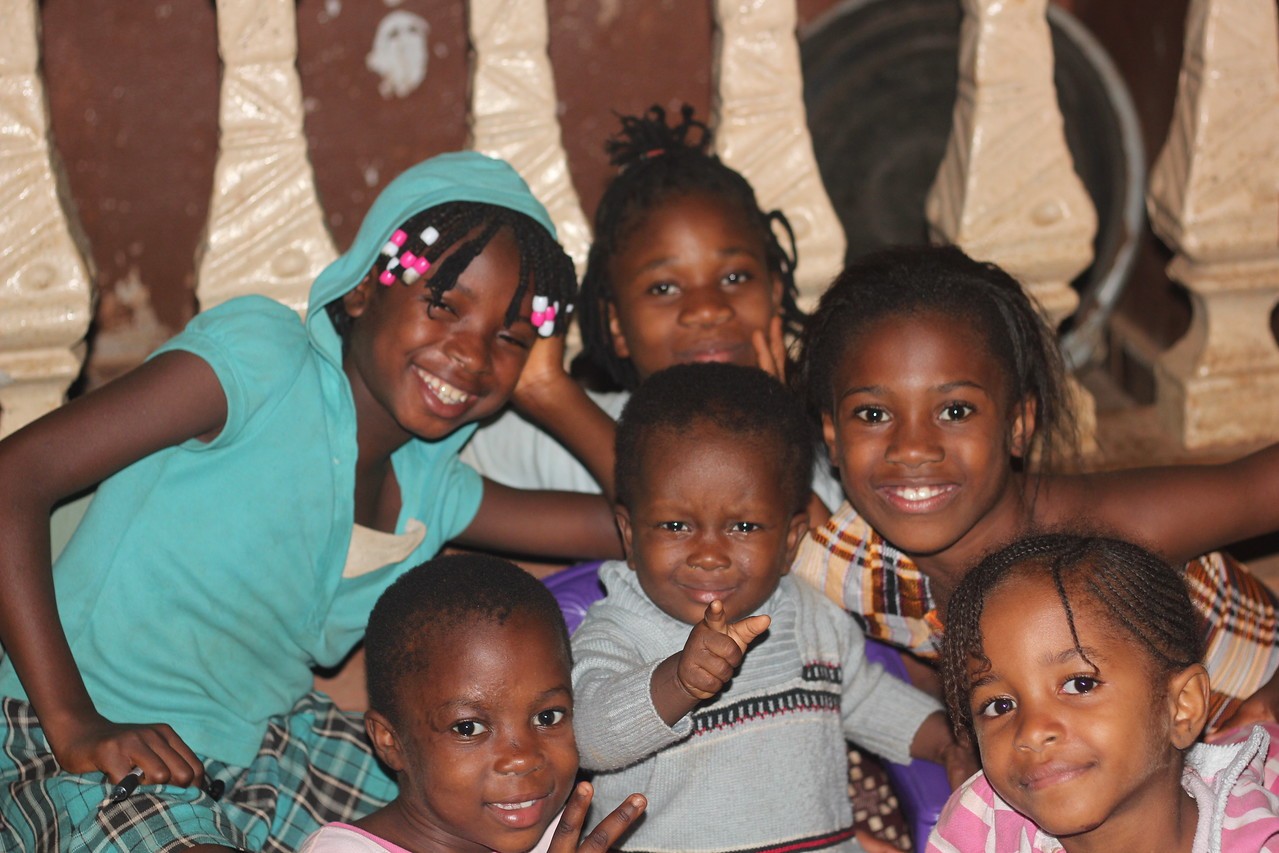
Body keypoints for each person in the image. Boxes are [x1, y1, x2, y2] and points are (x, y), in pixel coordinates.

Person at [0, 151, 623, 852]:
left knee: (496, 805)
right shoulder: (263, 362)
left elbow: (651, 527)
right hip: (93, 725)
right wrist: (72, 719)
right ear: (360, 291)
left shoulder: (432, 485)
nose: (471, 355)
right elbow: (16, 476)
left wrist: (552, 391)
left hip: (271, 748)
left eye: (507, 338)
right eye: (444, 304)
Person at [790, 244, 1279, 735]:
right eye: (873, 415)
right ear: (833, 437)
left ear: (1018, 425)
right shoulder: (846, 564)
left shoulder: (1105, 531)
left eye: (955, 411)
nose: (913, 449)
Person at [571, 363, 971, 853]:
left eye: (743, 528)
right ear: (631, 537)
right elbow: (588, 736)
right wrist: (678, 682)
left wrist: (947, 742)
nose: (709, 554)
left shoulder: (812, 616)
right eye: (675, 526)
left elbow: (865, 698)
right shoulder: (618, 631)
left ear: (789, 543)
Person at [461, 104, 843, 513]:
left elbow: (824, 561)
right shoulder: (554, 437)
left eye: (734, 278)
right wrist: (543, 390)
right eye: (664, 287)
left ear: (775, 293)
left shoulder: (831, 441)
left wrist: (552, 395)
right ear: (616, 326)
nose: (707, 310)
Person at [927, 533, 1279, 852]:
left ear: (1181, 707)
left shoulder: (1261, 837)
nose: (1032, 731)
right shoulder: (980, 827)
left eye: (1079, 684)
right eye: (999, 705)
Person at [297, 554, 646, 853]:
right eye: (469, 728)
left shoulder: (561, 837)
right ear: (391, 741)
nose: (523, 757)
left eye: (548, 716)